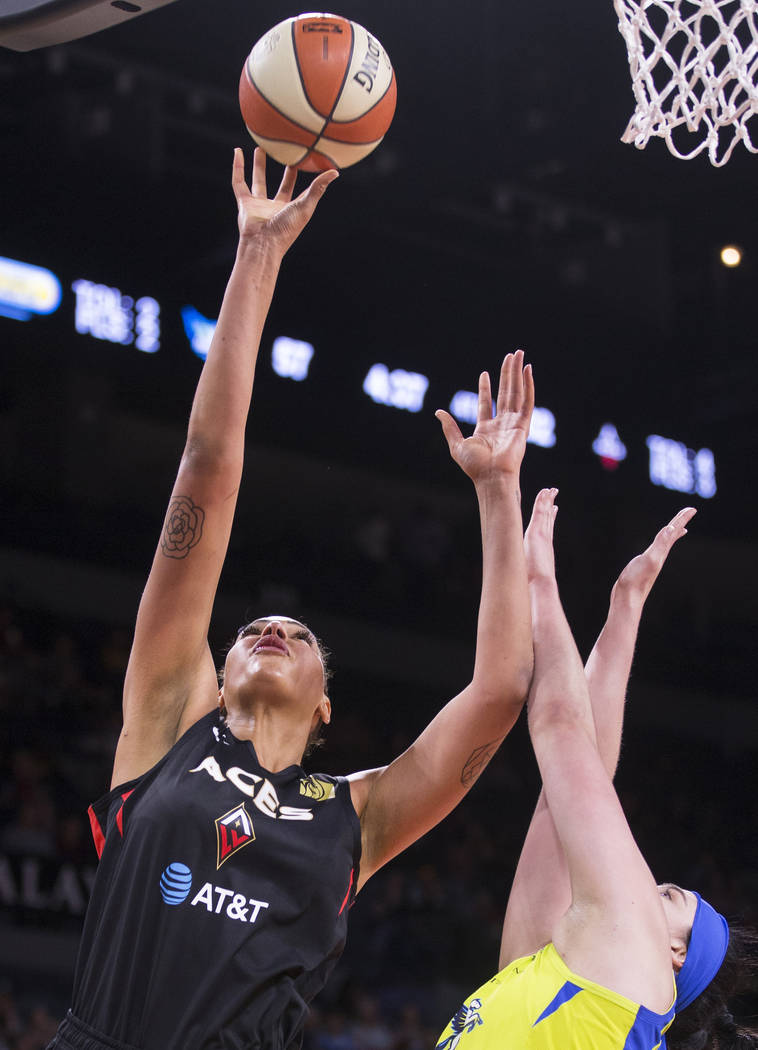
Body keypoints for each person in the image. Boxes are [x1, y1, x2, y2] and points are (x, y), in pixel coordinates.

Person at [48, 148, 536, 1050]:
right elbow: (207, 465)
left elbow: (500, 692)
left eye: (297, 633)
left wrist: (497, 493)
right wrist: (257, 260)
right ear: (220, 669)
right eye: (252, 631)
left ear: (324, 702)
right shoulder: (166, 720)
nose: (270, 628)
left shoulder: (358, 815)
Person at [437, 491, 758, 1050]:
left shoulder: (635, 964)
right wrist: (625, 607)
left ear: (675, 955)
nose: (642, 884)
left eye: (666, 896)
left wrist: (539, 579)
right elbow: (562, 800)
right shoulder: (550, 978)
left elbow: (561, 726)